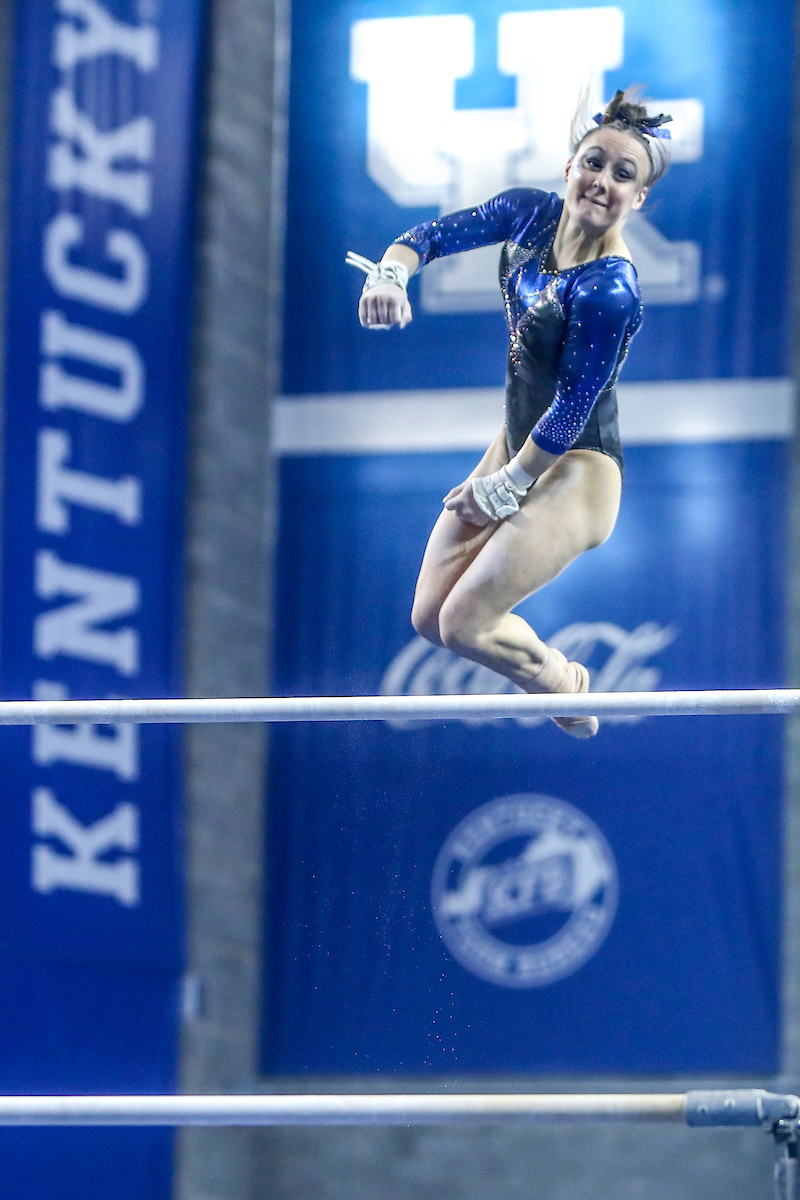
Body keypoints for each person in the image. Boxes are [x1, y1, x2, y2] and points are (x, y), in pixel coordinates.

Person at [347, 90, 671, 737]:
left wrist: (508, 483)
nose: (601, 181)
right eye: (594, 162)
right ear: (570, 166)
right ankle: (552, 676)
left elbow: (574, 405)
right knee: (430, 617)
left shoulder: (610, 288)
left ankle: (563, 684)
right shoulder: (529, 214)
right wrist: (390, 275)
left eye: (622, 175)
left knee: (465, 621)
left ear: (637, 199)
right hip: (517, 442)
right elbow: (428, 238)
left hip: (578, 466)